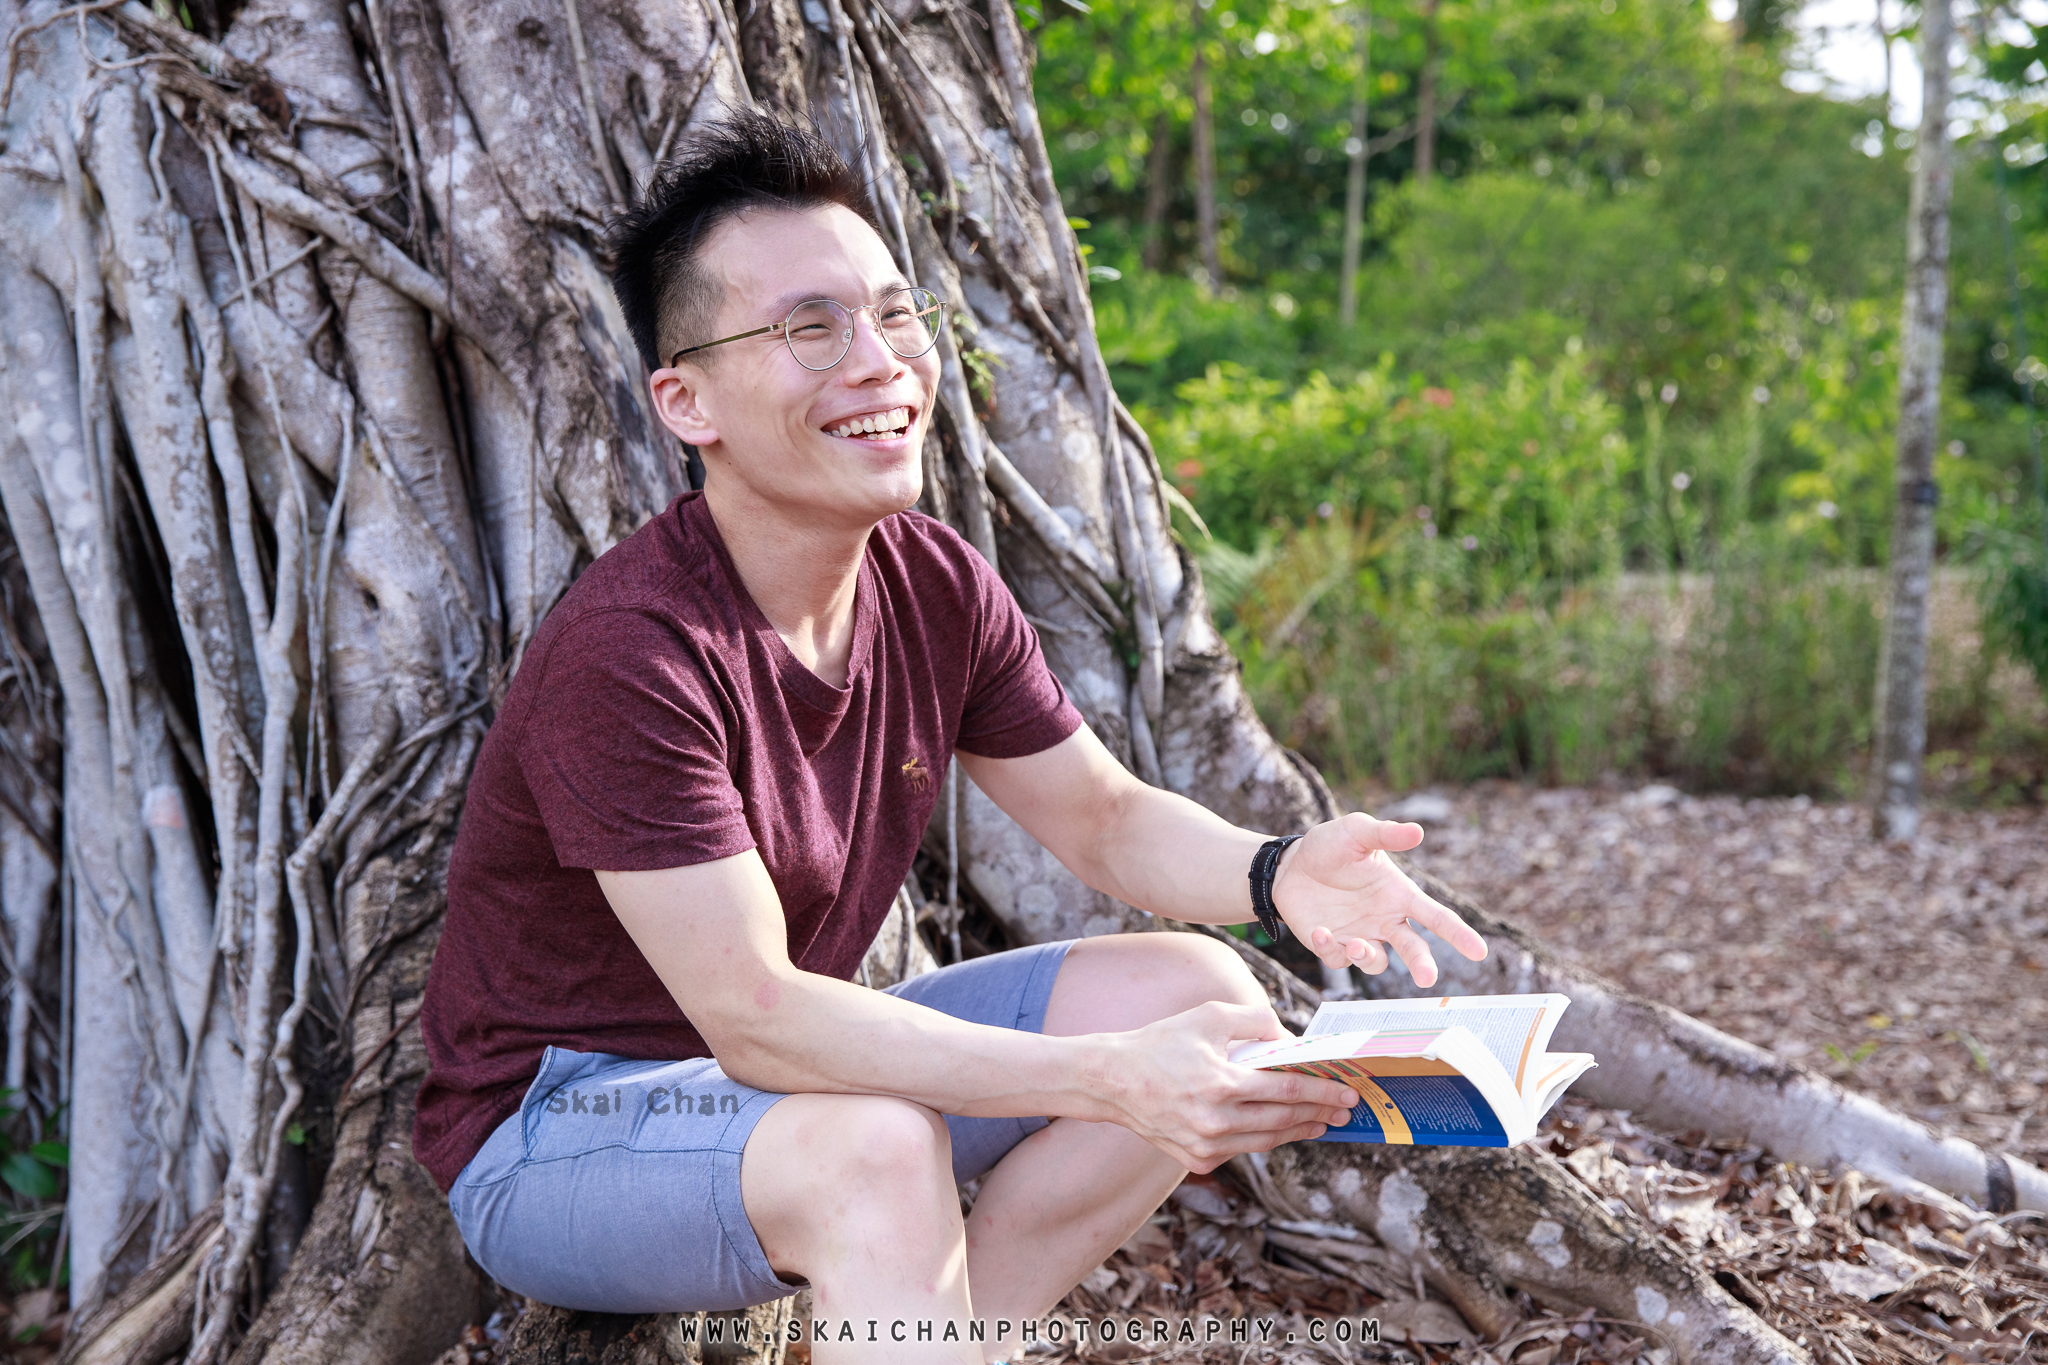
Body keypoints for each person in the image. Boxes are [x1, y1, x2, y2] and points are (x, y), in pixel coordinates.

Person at [411, 111, 1486, 1364]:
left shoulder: (928, 579)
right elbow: (754, 1015)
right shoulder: (632, 652)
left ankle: (943, 1342)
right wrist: (1107, 1079)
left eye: (894, 314)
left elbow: (1102, 816)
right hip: (558, 1133)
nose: (877, 363)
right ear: (684, 399)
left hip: (772, 1091)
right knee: (877, 1147)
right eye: (810, 329)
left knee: (1203, 993)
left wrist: (1273, 873)